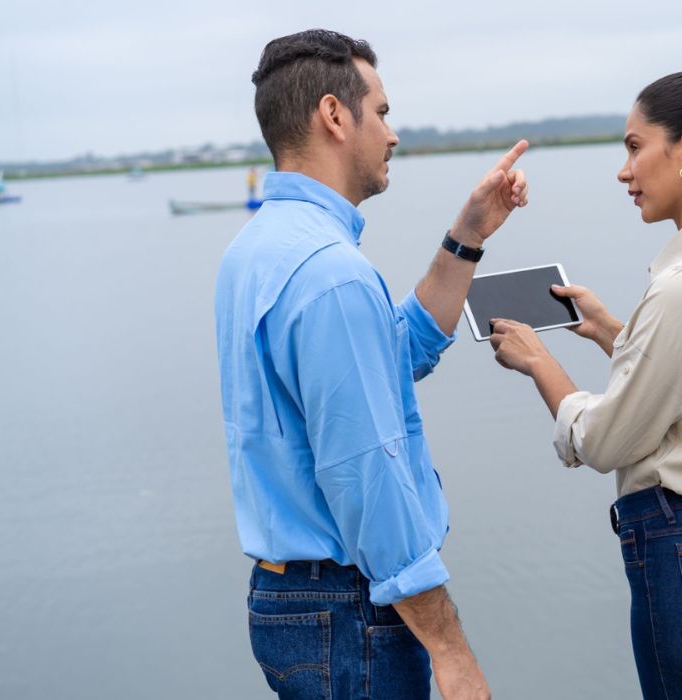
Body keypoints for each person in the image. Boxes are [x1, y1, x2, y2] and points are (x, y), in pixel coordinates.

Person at [215, 29, 528, 700]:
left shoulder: (253, 251)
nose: (392, 134)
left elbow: (395, 357)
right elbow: (365, 473)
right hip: (349, 614)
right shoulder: (331, 275)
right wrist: (449, 647)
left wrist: (468, 235)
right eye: (382, 112)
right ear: (334, 115)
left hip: (286, 601)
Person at [487, 70, 682, 699]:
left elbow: (605, 443)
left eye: (635, 147)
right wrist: (613, 330)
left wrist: (538, 362)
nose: (623, 170)